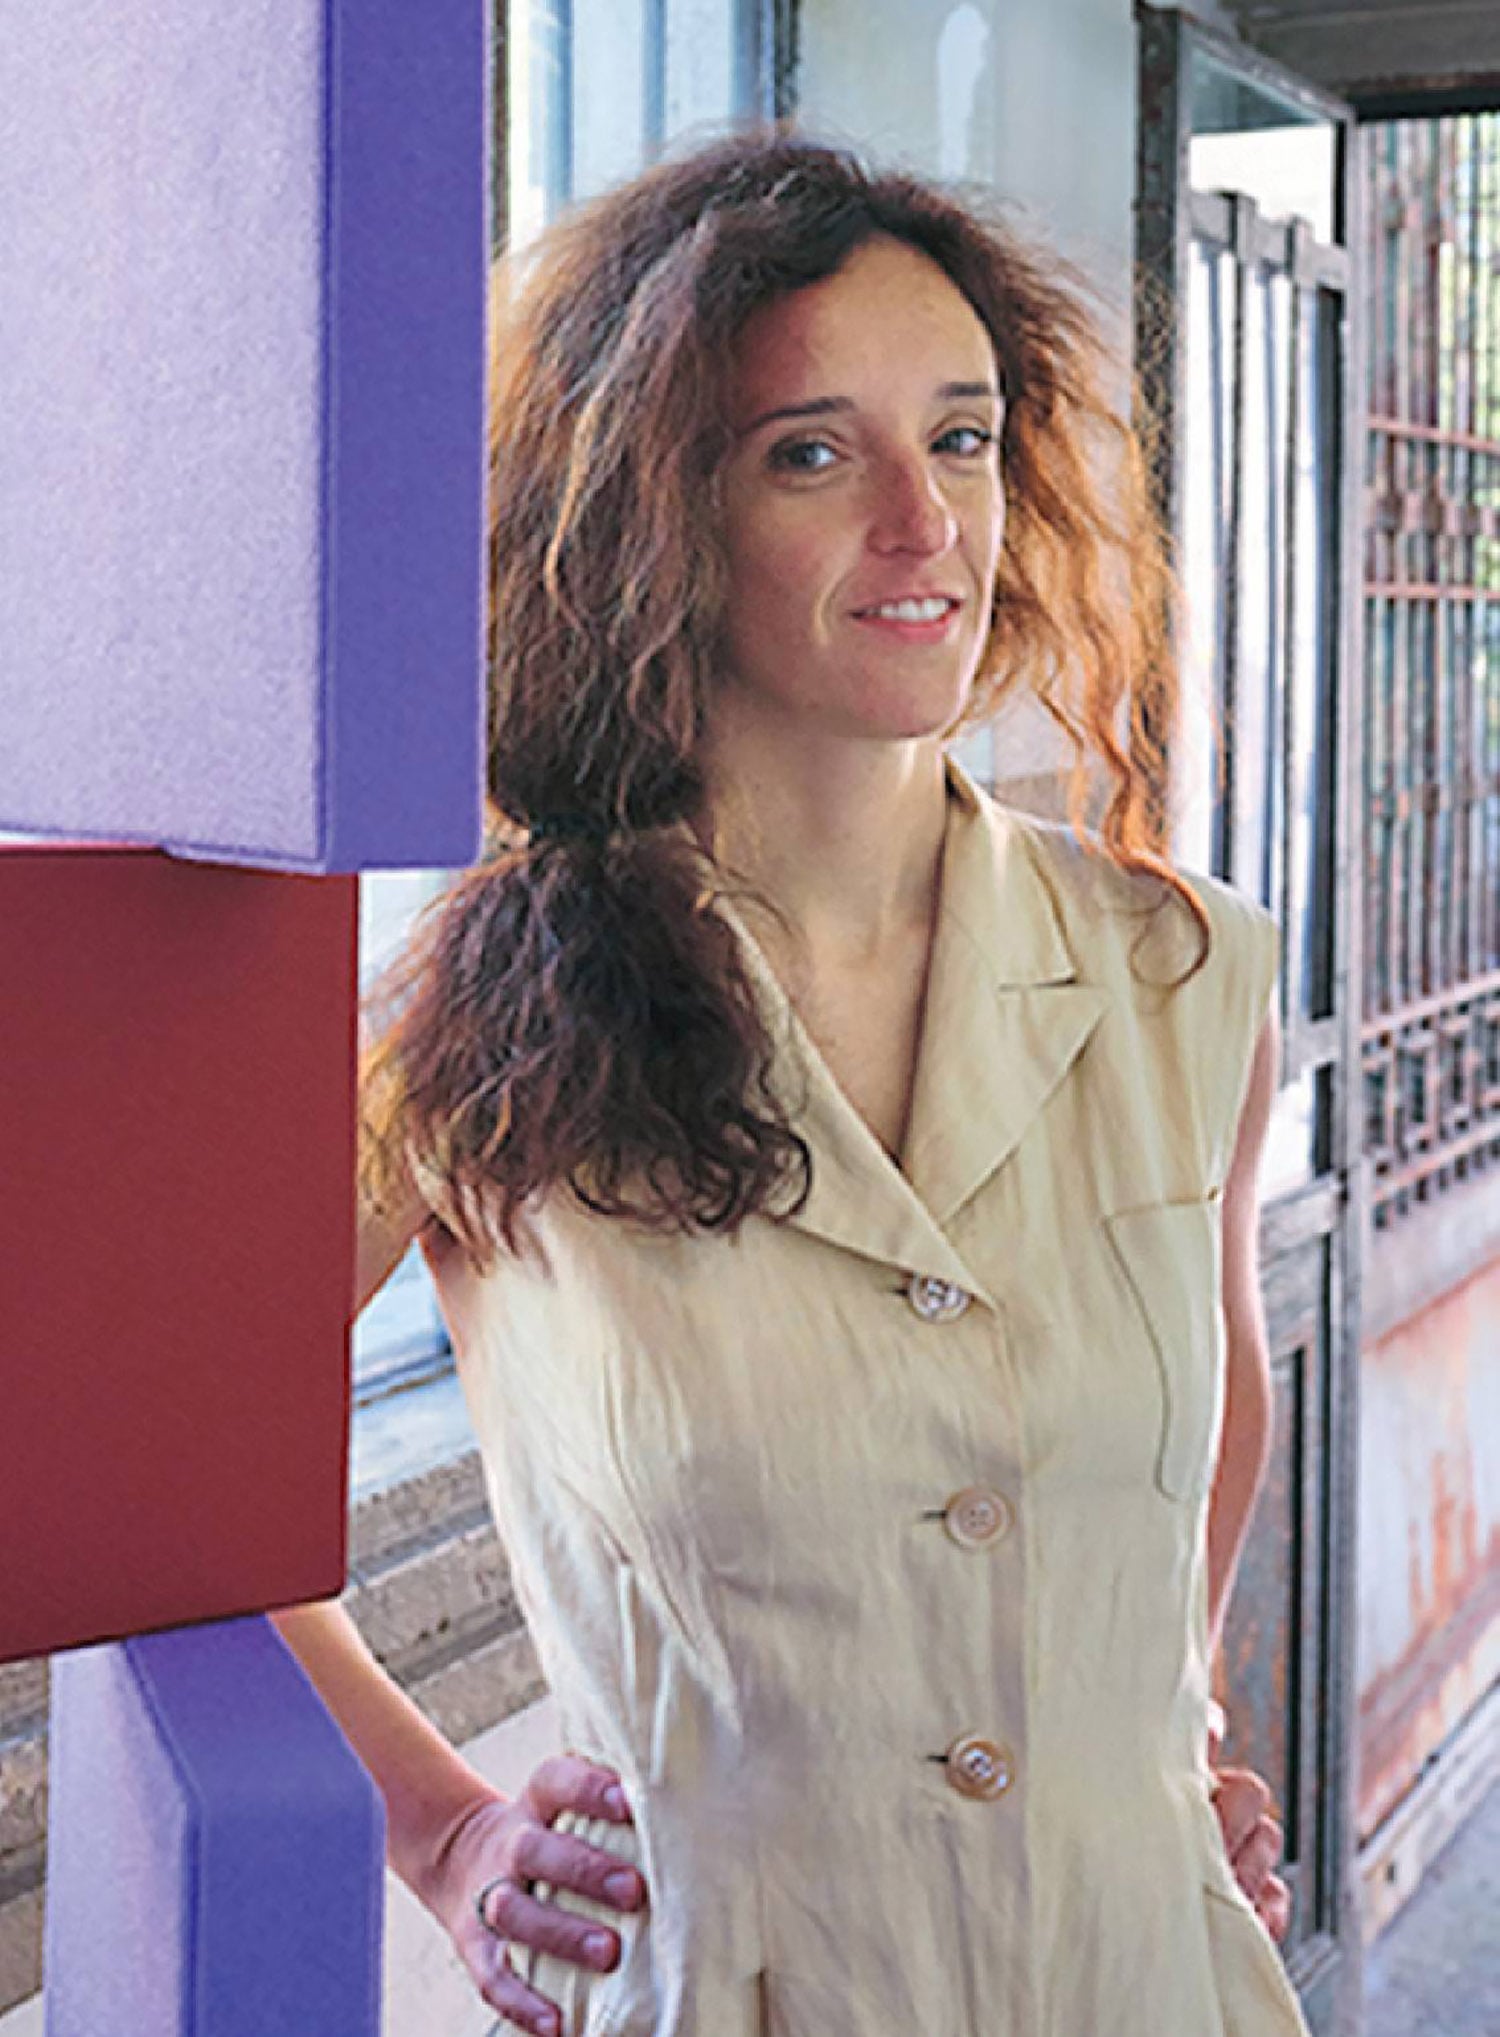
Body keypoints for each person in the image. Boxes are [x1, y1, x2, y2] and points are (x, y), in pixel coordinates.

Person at [274, 131, 1304, 2036]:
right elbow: (153, 1452)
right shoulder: (479, 1030)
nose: (929, 523)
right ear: (660, 515)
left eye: (968, 435)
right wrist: (436, 1831)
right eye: (813, 452)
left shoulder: (1187, 973)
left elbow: (1211, 1386)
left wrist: (1161, 1719)